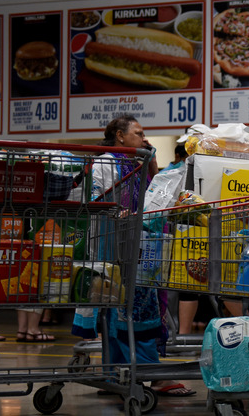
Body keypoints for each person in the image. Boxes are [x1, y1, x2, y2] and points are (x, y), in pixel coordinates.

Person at [75, 115, 193, 396]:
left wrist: (150, 163)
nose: (144, 138)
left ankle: (116, 372)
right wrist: (117, 213)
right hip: (114, 247)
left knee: (120, 310)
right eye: (138, 133)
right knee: (134, 310)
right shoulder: (105, 161)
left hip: (135, 247)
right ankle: (149, 372)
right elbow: (95, 201)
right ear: (119, 135)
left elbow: (151, 194)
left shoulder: (133, 163)